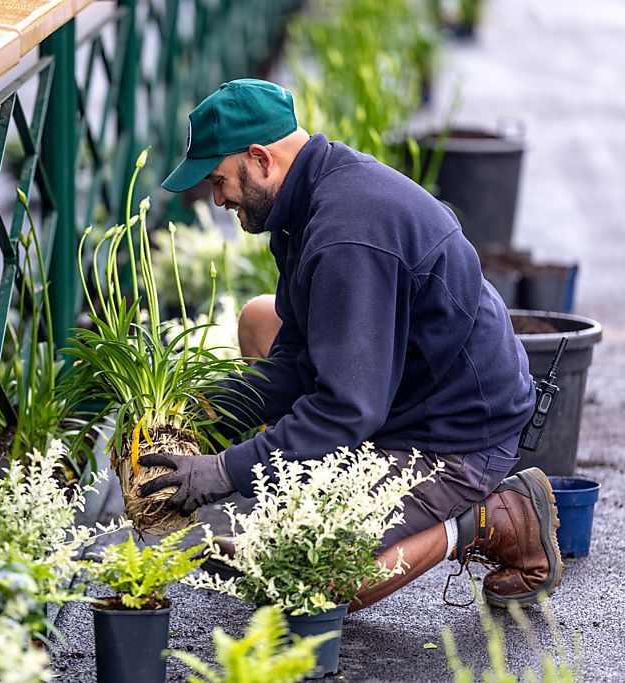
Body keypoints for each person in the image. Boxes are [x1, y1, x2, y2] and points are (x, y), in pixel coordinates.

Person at [140, 79, 562, 610]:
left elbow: (345, 407)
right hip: (399, 392)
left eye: (219, 180)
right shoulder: (305, 205)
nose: (217, 198)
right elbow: (297, 359)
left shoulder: (346, 234)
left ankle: (488, 517)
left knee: (309, 577)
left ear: (259, 158)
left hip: (455, 434)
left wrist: (224, 471)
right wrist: (197, 417)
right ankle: (322, 499)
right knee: (259, 320)